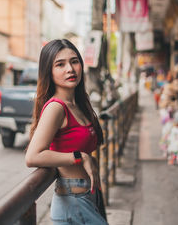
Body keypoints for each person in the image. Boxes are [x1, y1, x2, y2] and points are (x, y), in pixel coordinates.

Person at [25, 39, 107, 224]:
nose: (70, 69)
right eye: (60, 64)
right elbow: (32, 156)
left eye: (74, 61)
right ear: (49, 71)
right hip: (73, 202)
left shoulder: (78, 104)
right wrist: (81, 157)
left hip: (87, 197)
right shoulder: (56, 108)